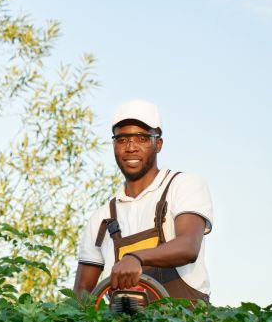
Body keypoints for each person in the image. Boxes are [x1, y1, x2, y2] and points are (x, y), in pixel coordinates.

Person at [73, 100, 213, 303]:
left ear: (158, 144)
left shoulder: (183, 186)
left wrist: (136, 257)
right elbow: (82, 292)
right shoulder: (102, 218)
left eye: (142, 138)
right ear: (114, 145)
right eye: (122, 139)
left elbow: (188, 246)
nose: (131, 147)